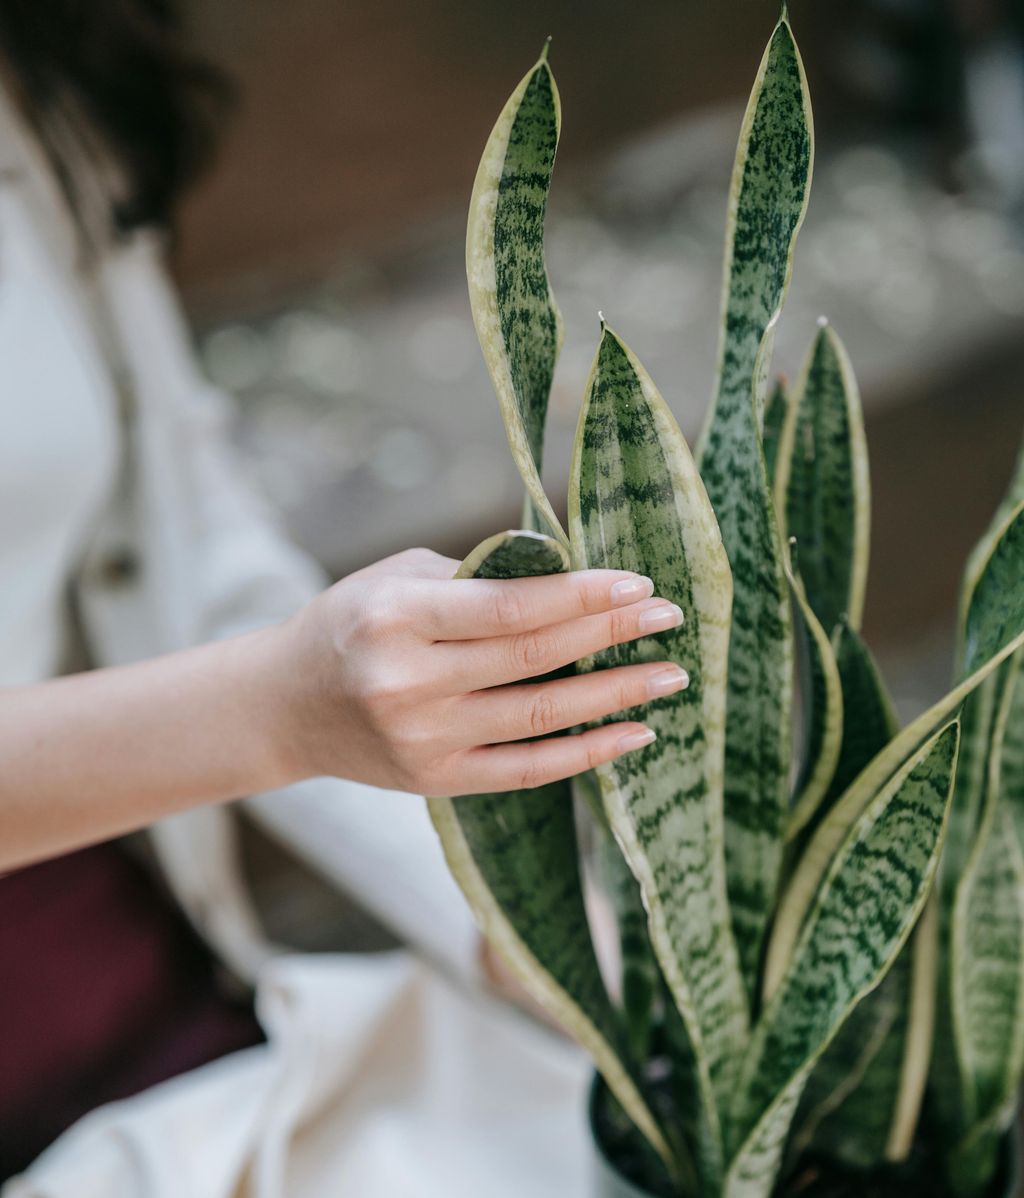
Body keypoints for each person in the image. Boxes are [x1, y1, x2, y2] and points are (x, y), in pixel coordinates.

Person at [0, 4, 689, 1197]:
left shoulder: (36, 73)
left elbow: (193, 546)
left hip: (129, 977)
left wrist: (522, 931)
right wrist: (273, 707)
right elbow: (260, 686)